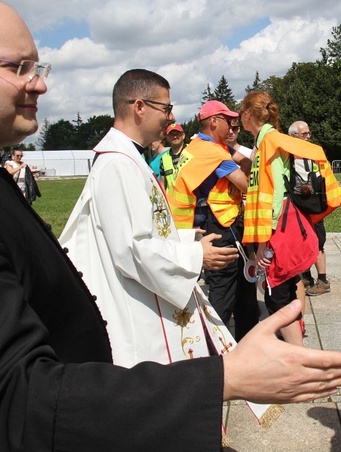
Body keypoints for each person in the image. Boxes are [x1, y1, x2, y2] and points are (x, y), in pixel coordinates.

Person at [0, 0, 341, 451]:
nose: (39, 84)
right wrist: (220, 375)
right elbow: (10, 399)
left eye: (39, 68)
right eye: (17, 68)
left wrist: (180, 236)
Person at [59, 70, 243, 368]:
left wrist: (185, 239)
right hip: (130, 312)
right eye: (166, 108)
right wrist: (196, 255)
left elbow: (138, 232)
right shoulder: (117, 164)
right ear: (139, 107)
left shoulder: (129, 159)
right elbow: (131, 248)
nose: (171, 118)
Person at [239, 91, 341, 346]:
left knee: (277, 294)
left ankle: (297, 355)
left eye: (241, 112)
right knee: (284, 290)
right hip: (287, 225)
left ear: (249, 115)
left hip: (278, 230)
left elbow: (273, 195)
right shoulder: (269, 140)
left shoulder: (268, 143)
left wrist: (264, 243)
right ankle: (297, 349)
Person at [166, 100, 259, 340]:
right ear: (214, 122)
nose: (232, 127)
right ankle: (214, 344)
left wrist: (245, 157)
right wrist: (253, 163)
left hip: (205, 223)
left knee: (240, 284)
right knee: (224, 288)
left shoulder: (199, 145)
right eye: (228, 122)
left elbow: (244, 161)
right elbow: (246, 183)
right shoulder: (212, 153)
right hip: (218, 226)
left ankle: (243, 340)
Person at [288, 120, 331, 297]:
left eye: (308, 133)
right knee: (301, 241)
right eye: (304, 134)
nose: (308, 136)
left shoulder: (314, 151)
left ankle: (322, 280)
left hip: (314, 203)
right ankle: (306, 276)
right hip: (297, 203)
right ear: (293, 136)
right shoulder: (287, 153)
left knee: (317, 242)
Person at [161, 121, 186, 189]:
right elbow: (162, 183)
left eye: (177, 134)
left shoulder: (192, 151)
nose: (175, 137)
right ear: (167, 137)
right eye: (171, 135)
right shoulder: (163, 158)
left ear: (183, 135)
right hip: (171, 199)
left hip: (193, 199)